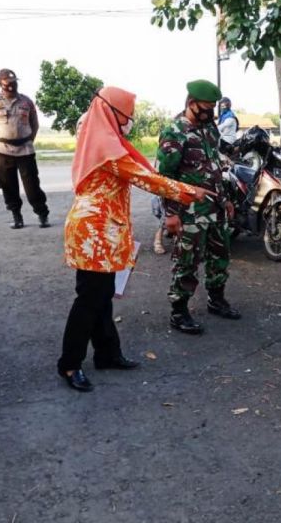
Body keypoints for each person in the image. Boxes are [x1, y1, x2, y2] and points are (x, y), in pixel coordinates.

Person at [58, 86, 206, 392]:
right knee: (89, 299)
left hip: (104, 230)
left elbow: (141, 170)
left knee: (101, 296)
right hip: (94, 232)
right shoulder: (105, 146)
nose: (130, 123)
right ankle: (69, 364)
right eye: (127, 116)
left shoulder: (106, 141)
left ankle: (107, 353)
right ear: (110, 112)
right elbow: (145, 178)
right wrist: (188, 191)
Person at [158, 80, 240, 335]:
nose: (210, 114)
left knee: (220, 254)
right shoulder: (174, 132)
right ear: (191, 104)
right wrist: (170, 214)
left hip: (214, 206)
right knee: (187, 260)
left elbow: (215, 166)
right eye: (206, 108)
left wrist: (225, 199)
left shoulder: (208, 129)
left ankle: (217, 299)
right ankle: (179, 311)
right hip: (188, 210)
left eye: (213, 109)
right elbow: (165, 179)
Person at [0, 69, 50, 229]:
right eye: (8, 83)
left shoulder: (26, 101)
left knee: (32, 186)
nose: (12, 86)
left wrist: (27, 140)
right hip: (2, 150)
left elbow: (35, 124)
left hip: (25, 149)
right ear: (0, 83)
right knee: (8, 185)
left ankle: (42, 215)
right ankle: (17, 217)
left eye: (14, 82)